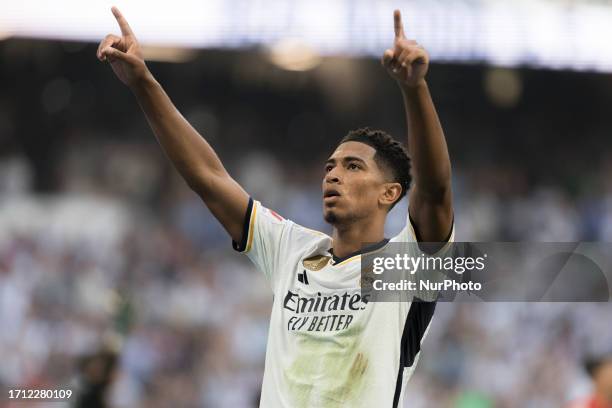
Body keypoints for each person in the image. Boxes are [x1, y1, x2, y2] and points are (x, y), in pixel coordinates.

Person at [97, 7, 454, 407]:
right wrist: (143, 82)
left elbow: (436, 191)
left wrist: (414, 88)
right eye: (330, 167)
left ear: (389, 193)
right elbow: (209, 178)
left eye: (353, 167)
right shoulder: (293, 249)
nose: (333, 176)